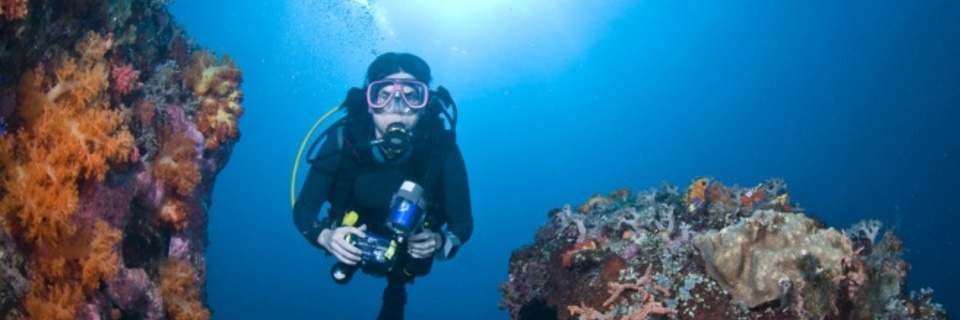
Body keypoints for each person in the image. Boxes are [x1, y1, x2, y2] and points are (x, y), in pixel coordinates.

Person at [293, 52, 473, 320]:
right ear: (369, 102)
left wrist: (438, 241)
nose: (396, 105)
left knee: (403, 273)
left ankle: (396, 289)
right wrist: (326, 237)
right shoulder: (344, 139)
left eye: (412, 95)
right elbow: (304, 208)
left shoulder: (442, 150)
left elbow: (463, 223)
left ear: (425, 105)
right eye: (383, 93)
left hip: (408, 243)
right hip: (354, 231)